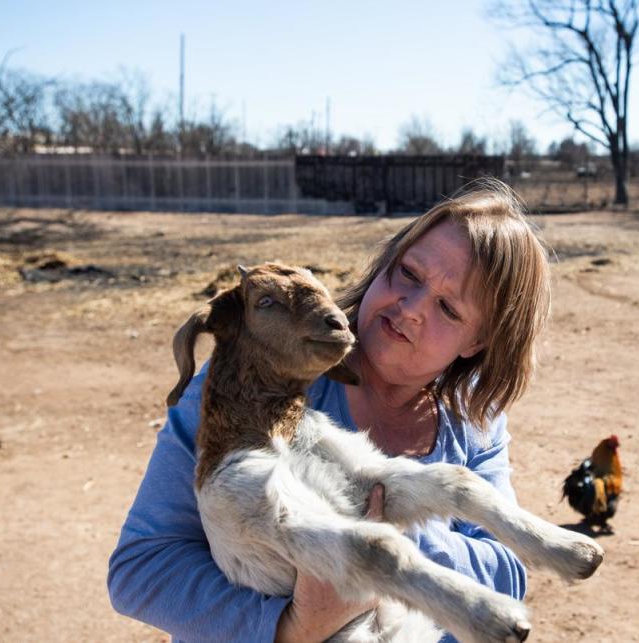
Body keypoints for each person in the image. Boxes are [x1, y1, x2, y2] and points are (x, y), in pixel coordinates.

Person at [107, 178, 552, 642]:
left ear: (478, 342)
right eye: (409, 274)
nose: (411, 307)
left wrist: (380, 526)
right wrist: (291, 629)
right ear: (385, 263)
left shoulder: (472, 422)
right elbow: (142, 569)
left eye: (448, 308)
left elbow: (507, 572)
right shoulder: (246, 389)